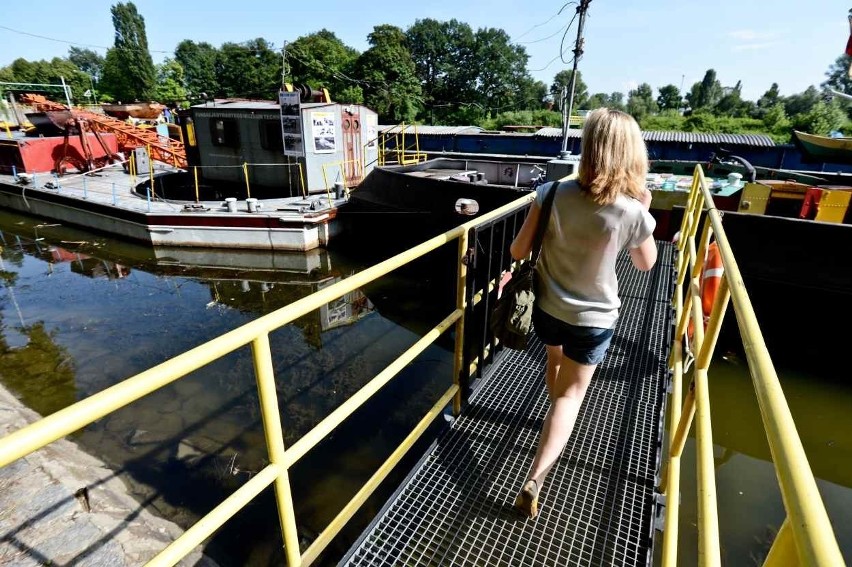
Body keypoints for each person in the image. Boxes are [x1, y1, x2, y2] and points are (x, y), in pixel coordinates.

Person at [508, 107, 658, 519]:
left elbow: (519, 251)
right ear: (631, 154)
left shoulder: (552, 192)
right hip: (594, 321)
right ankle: (536, 476)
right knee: (572, 395)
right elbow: (646, 264)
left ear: (588, 145)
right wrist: (645, 209)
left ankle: (550, 417)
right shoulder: (631, 211)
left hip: (548, 307)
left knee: (554, 361)